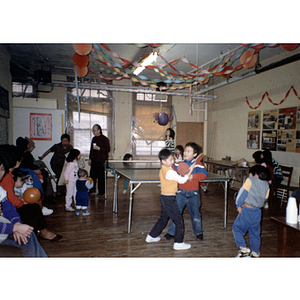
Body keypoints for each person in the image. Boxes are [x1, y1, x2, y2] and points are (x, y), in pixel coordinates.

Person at [0, 145, 62, 242]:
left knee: (32, 207)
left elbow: (8, 195)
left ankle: (37, 231)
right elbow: (10, 200)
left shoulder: (8, 175)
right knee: (33, 208)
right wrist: (22, 202)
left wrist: (19, 198)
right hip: (5, 210)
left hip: (8, 206)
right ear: (16, 162)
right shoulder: (6, 178)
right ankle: (41, 232)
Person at [145, 148, 194, 251]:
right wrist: (189, 173)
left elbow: (177, 176)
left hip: (164, 197)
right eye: (170, 159)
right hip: (169, 198)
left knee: (163, 218)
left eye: (173, 159)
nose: (173, 161)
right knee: (178, 221)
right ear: (163, 161)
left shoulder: (164, 169)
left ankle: (152, 236)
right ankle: (178, 243)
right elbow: (181, 180)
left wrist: (185, 173)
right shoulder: (170, 172)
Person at [0, 153, 48, 257]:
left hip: (4, 229)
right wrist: (13, 228)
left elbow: (9, 208)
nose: (0, 173)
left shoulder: (1, 190)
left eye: (2, 169)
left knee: (27, 235)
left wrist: (17, 224)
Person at [164, 142, 207, 241]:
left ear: (195, 154)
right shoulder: (179, 164)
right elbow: (172, 171)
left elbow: (204, 175)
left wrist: (193, 176)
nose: (186, 153)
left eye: (189, 151)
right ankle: (171, 232)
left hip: (194, 194)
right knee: (176, 213)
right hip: (181, 193)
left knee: (195, 214)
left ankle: (198, 233)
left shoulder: (198, 164)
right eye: (185, 151)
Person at [232, 165, 270, 258]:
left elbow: (242, 193)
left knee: (237, 228)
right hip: (257, 212)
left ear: (256, 174)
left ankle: (243, 249)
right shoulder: (266, 185)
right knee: (255, 233)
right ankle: (256, 252)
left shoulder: (250, 180)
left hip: (247, 211)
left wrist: (238, 205)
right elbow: (265, 198)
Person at [88, 124, 110, 196]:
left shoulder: (105, 139)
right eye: (93, 131)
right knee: (92, 176)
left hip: (101, 161)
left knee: (101, 177)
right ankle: (92, 189)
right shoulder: (93, 139)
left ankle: (101, 191)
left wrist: (99, 148)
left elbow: (108, 149)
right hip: (94, 160)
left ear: (99, 130)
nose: (93, 132)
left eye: (94, 130)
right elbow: (91, 150)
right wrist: (90, 159)